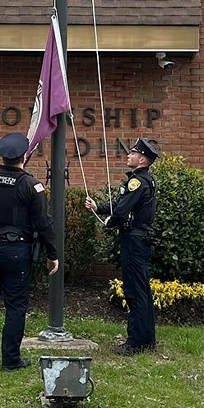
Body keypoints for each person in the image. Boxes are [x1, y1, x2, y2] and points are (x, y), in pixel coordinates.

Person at [0, 131, 59, 371]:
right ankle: (10, 360)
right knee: (16, 307)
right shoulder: (31, 185)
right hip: (16, 251)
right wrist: (53, 254)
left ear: (2, 156)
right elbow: (43, 223)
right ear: (24, 156)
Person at [85, 137, 160, 354]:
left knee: (134, 291)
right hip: (140, 239)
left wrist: (111, 221)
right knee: (142, 289)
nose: (129, 155)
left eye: (134, 153)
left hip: (134, 240)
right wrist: (98, 207)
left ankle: (135, 342)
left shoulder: (137, 182)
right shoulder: (145, 180)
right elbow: (120, 203)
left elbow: (121, 209)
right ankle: (147, 339)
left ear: (143, 160)